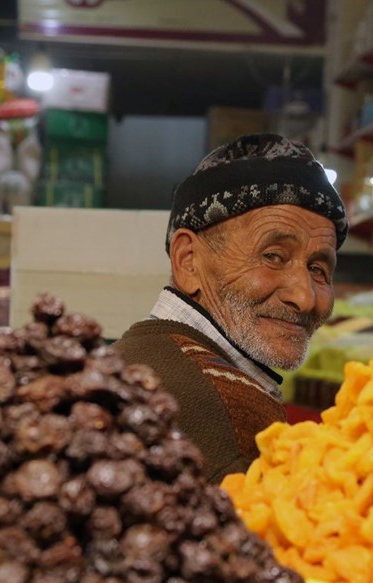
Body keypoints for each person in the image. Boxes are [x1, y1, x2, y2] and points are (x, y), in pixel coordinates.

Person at [114, 133, 347, 484]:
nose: (305, 297)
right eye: (273, 256)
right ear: (188, 260)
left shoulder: (133, 355)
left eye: (318, 269)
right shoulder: (233, 420)